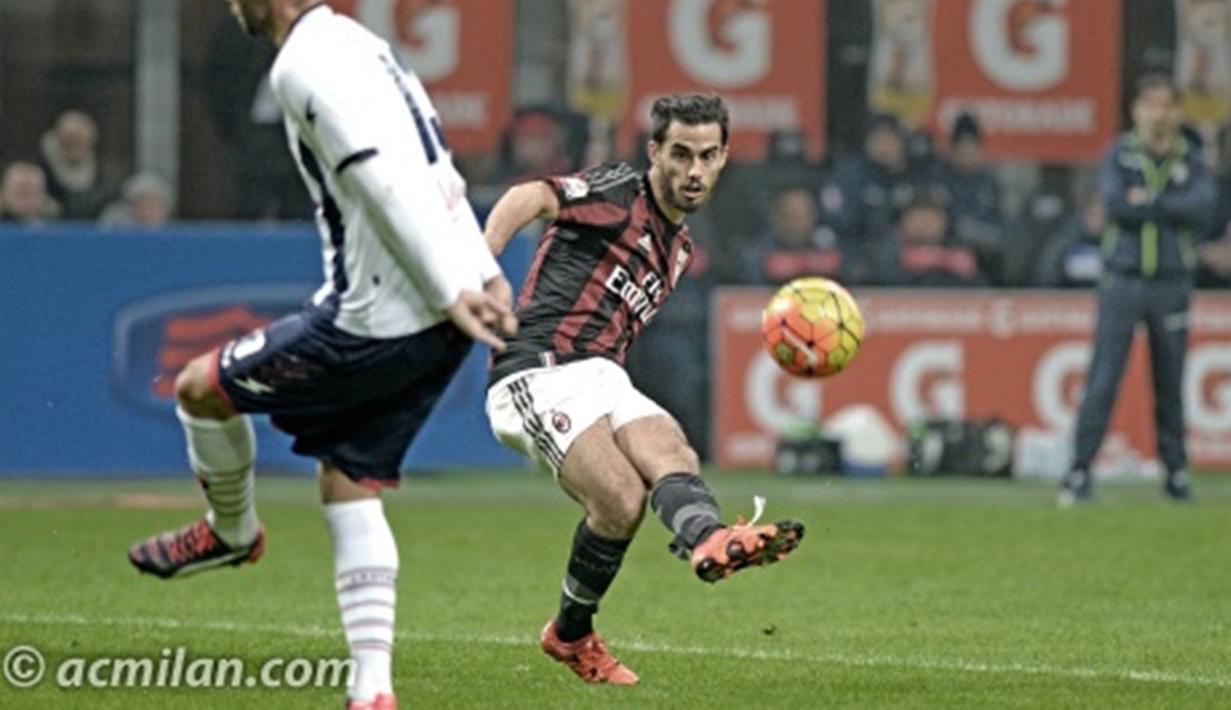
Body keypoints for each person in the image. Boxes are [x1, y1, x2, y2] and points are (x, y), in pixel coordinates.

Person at [125, 2, 517, 708]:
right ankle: (372, 692)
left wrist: (448, 281)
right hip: (438, 319)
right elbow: (439, 170)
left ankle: (232, 531)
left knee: (196, 387)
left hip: (374, 319)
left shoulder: (302, 63)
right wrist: (478, 274)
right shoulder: (368, 47)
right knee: (349, 479)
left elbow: (380, 181)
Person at [482, 94, 804, 686]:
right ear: (655, 151)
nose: (694, 170)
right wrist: (482, 265)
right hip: (538, 369)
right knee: (619, 498)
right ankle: (573, 636)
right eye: (680, 154)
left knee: (675, 452)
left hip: (602, 372)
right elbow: (531, 196)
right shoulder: (617, 192)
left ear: (725, 158)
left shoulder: (679, 250)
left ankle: (709, 539)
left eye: (708, 156)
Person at [1060, 75, 1217, 506]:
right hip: (1124, 280)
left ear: (1178, 112)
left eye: (1166, 105)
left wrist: (1148, 202)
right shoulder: (1119, 153)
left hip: (1170, 281)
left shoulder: (1192, 156)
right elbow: (1114, 204)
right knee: (1103, 379)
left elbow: (1203, 208)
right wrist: (1168, 205)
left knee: (1170, 381)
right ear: (1136, 110)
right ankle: (1078, 471)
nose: (1158, 114)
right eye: (1150, 104)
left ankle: (1176, 473)